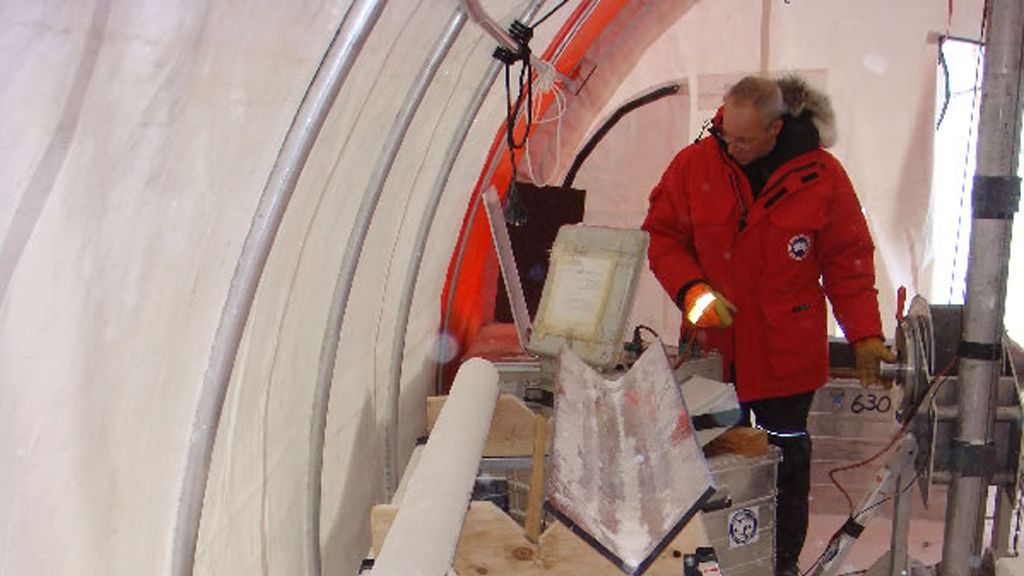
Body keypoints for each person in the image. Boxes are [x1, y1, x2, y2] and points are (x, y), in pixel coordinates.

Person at [641, 75, 895, 576]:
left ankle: (779, 562)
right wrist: (694, 292)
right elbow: (663, 238)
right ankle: (712, 561)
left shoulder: (822, 177)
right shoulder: (695, 165)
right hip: (713, 352)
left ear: (776, 130)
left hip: (785, 357)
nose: (731, 148)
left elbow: (848, 262)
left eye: (744, 140)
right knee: (711, 461)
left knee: (783, 461)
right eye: (725, 135)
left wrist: (865, 334)